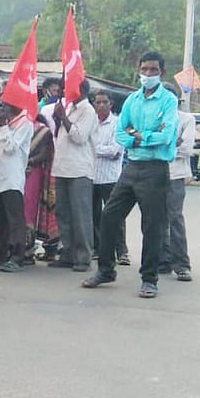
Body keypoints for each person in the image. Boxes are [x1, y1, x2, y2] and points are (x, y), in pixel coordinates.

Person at [83, 51, 178, 299]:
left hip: (156, 169)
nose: (148, 74)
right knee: (109, 215)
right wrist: (144, 135)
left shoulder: (168, 101)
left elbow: (166, 136)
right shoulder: (132, 100)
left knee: (152, 226)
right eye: (144, 69)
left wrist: (137, 135)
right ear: (138, 69)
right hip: (132, 168)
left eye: (153, 70)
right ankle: (105, 270)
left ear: (162, 73)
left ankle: (149, 279)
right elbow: (120, 134)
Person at [48, 81, 97, 272]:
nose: (65, 92)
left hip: (79, 169)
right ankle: (67, 252)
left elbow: (78, 137)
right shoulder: (68, 107)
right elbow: (58, 135)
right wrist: (59, 119)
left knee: (80, 214)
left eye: (68, 88)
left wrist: (64, 119)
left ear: (82, 90)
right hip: (62, 167)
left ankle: (83, 257)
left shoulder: (88, 111)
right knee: (63, 213)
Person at [0, 103, 33, 273]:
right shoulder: (4, 122)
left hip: (11, 179)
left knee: (14, 220)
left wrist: (4, 126)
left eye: (6, 104)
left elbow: (11, 148)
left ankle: (17, 256)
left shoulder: (25, 123)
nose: (3, 106)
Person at [159, 92, 194, 282]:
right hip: (155, 173)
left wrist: (164, 146)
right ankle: (162, 260)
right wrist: (173, 143)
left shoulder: (186, 119)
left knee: (175, 218)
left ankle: (181, 263)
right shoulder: (155, 118)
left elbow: (187, 149)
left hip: (175, 175)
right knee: (157, 219)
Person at [90, 90, 129, 265]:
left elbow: (114, 151)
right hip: (92, 176)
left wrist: (93, 149)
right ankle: (99, 249)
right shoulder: (91, 123)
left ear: (111, 104)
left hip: (111, 177)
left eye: (104, 102)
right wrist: (99, 149)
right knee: (94, 215)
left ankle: (122, 251)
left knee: (115, 215)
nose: (100, 105)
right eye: (97, 102)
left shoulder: (117, 123)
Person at [23, 114, 59, 259]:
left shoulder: (42, 130)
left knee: (28, 210)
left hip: (32, 172)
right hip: (13, 171)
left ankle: (27, 248)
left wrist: (27, 160)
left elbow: (44, 154)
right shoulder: (14, 124)